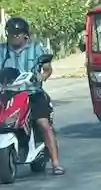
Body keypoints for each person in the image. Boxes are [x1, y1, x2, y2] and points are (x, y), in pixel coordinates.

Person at [0, 17, 63, 174]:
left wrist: (42, 76)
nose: (14, 36)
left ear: (25, 35)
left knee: (44, 124)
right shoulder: (2, 50)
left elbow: (47, 68)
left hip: (32, 93)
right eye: (11, 33)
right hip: (7, 94)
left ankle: (56, 163)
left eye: (17, 33)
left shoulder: (36, 48)